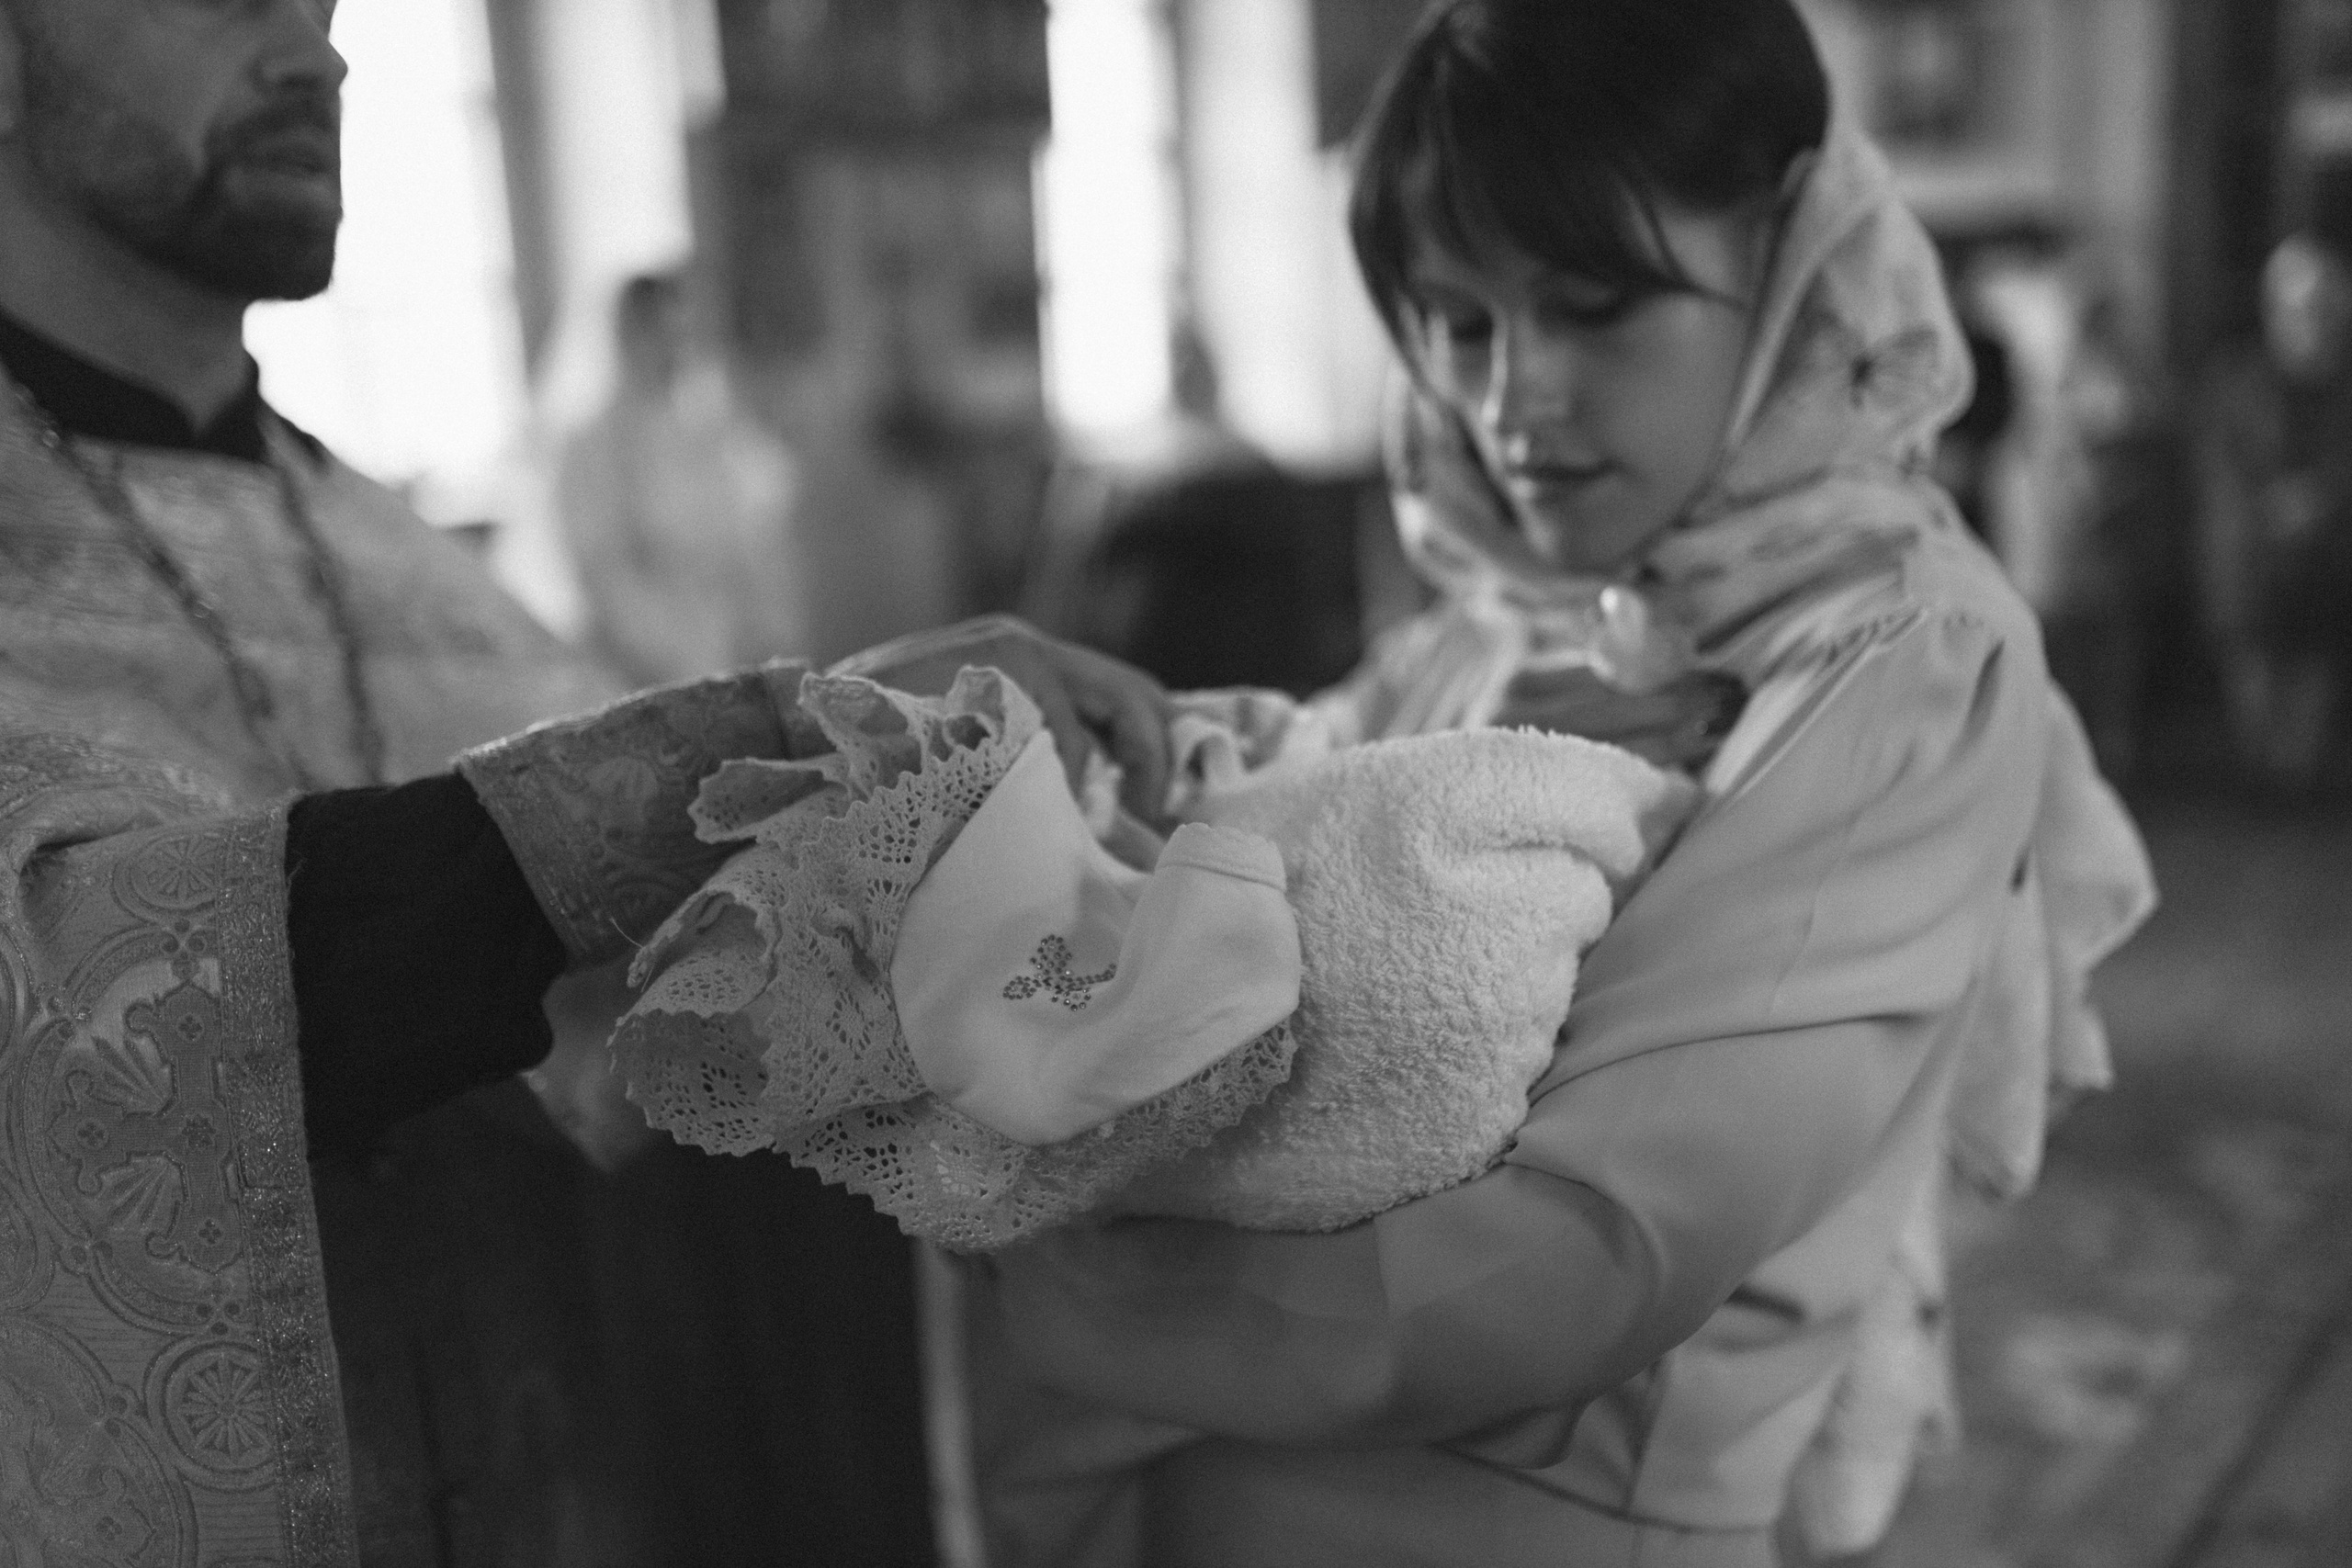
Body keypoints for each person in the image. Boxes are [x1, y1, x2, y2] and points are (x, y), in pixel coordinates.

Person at [960, 4, 2156, 1564]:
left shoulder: (1900, 658)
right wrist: (1018, 755)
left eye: (1596, 305)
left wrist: (1050, 1266)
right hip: (1217, 1473)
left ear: (1794, 262)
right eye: (1458, 322)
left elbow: (1589, 1253)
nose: (1515, 401)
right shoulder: (1501, 617)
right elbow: (1253, 830)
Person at [0, 1, 1168, 1562]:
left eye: (329, 4)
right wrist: (764, 732)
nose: (317, 53)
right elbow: (87, 998)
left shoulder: (400, 563)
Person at [556, 268, 805, 688]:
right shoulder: (589, 450)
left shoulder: (706, 432)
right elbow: (603, 574)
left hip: (725, 642)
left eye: (680, 335)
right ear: (626, 338)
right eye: (658, 335)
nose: (673, 351)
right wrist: (677, 659)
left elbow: (745, 540)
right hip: (643, 661)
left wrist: (762, 628)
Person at [2194, 231, 2352, 794]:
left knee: (2312, 675)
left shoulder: (2341, 384)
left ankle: (2297, 780)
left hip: (2327, 563)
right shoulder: (2237, 378)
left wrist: (2321, 499)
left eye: (2320, 306)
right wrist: (2269, 508)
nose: (2308, 318)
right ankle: (2262, 779)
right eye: (2296, 305)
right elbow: (2222, 467)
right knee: (2257, 681)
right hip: (2253, 565)